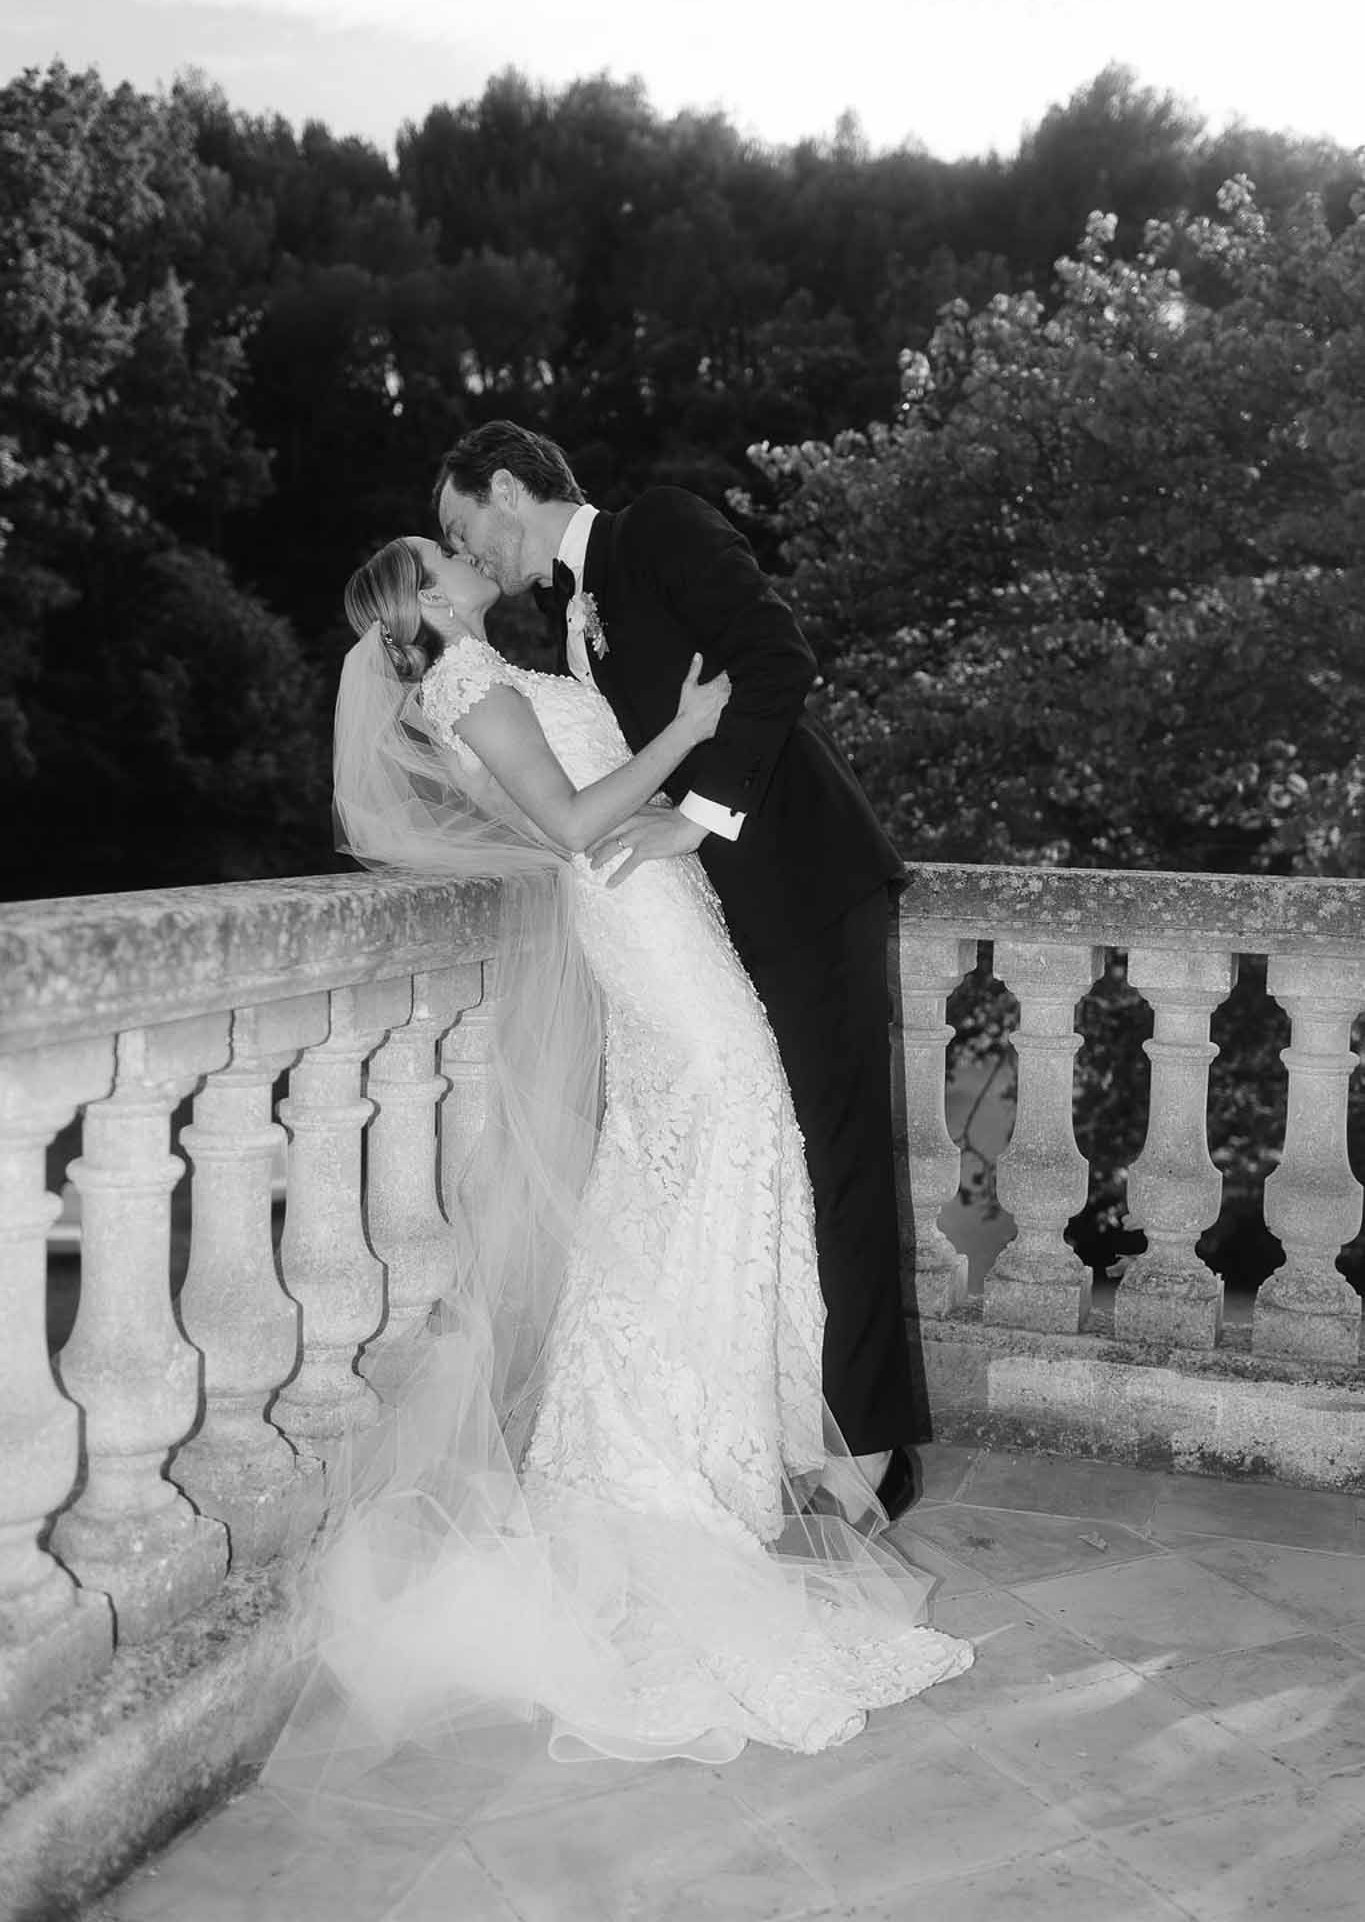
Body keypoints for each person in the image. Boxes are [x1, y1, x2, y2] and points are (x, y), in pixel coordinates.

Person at [265, 533, 969, 1796]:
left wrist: (634, 715)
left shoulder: (491, 670)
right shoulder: (468, 685)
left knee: (682, 1161)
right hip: (639, 914)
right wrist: (688, 729)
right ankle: (674, 1453)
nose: (464, 553)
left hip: (663, 910)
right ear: (427, 600)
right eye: (442, 554)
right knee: (733, 1118)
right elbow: (574, 820)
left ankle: (695, 1436)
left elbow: (578, 788)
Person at [433, 423, 918, 1517]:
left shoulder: (656, 524)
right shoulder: (568, 615)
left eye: (465, 528)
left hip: (806, 882)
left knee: (839, 1161)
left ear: (506, 487)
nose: (471, 554)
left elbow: (777, 655)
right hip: (717, 920)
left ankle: (874, 1458)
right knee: (781, 1160)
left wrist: (697, 818)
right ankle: (787, 1425)